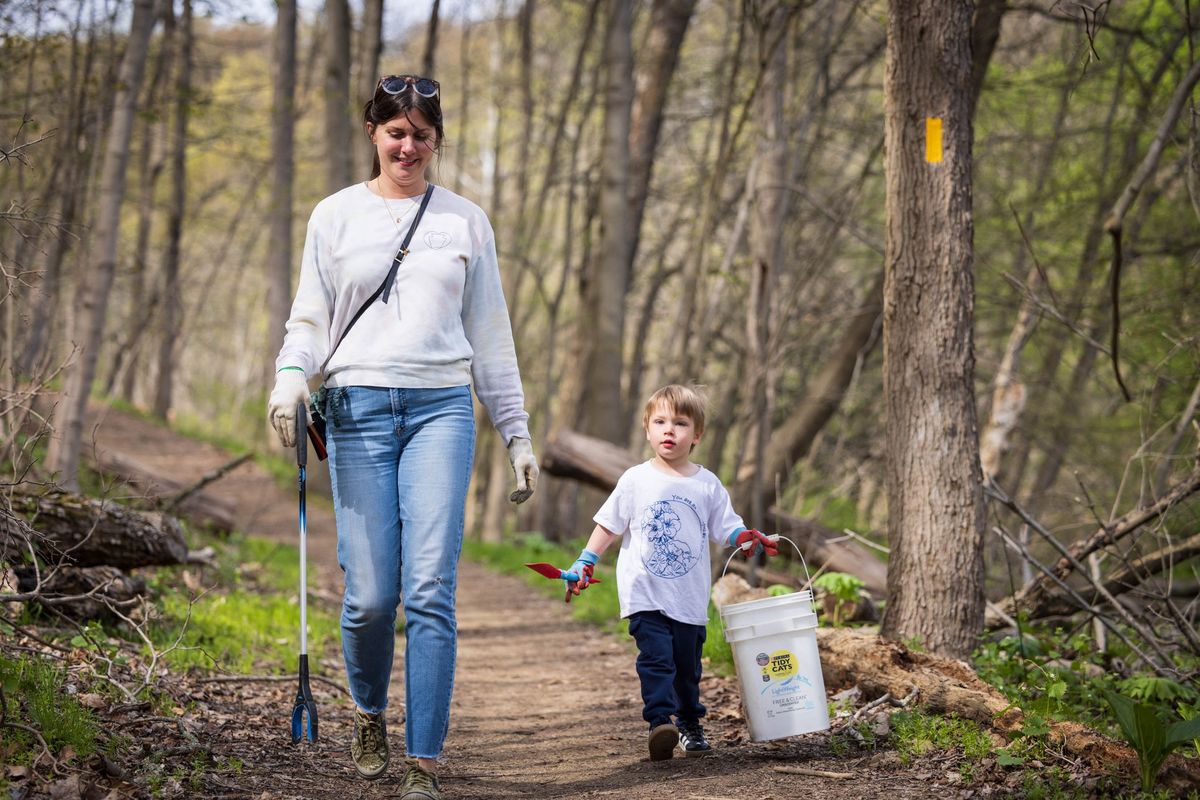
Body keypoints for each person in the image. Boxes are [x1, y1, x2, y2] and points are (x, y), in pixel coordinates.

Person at [266, 73, 539, 799]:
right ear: (373, 133)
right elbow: (309, 316)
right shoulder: (334, 216)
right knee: (370, 597)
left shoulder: (464, 221)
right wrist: (290, 378)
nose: (408, 146)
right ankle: (368, 712)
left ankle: (424, 763)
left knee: (429, 589)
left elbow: (491, 336)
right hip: (355, 410)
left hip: (440, 409)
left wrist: (517, 434)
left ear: (436, 140)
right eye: (396, 132)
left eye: (421, 134)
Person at [558, 384, 777, 761]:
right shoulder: (635, 479)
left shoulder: (706, 483)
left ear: (697, 435)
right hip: (644, 592)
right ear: (647, 429)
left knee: (687, 669)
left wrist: (745, 537)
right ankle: (661, 722)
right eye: (659, 421)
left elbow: (727, 526)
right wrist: (586, 560)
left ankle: (690, 724)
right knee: (656, 659)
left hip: (689, 598)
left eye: (680, 423)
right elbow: (609, 525)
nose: (669, 430)